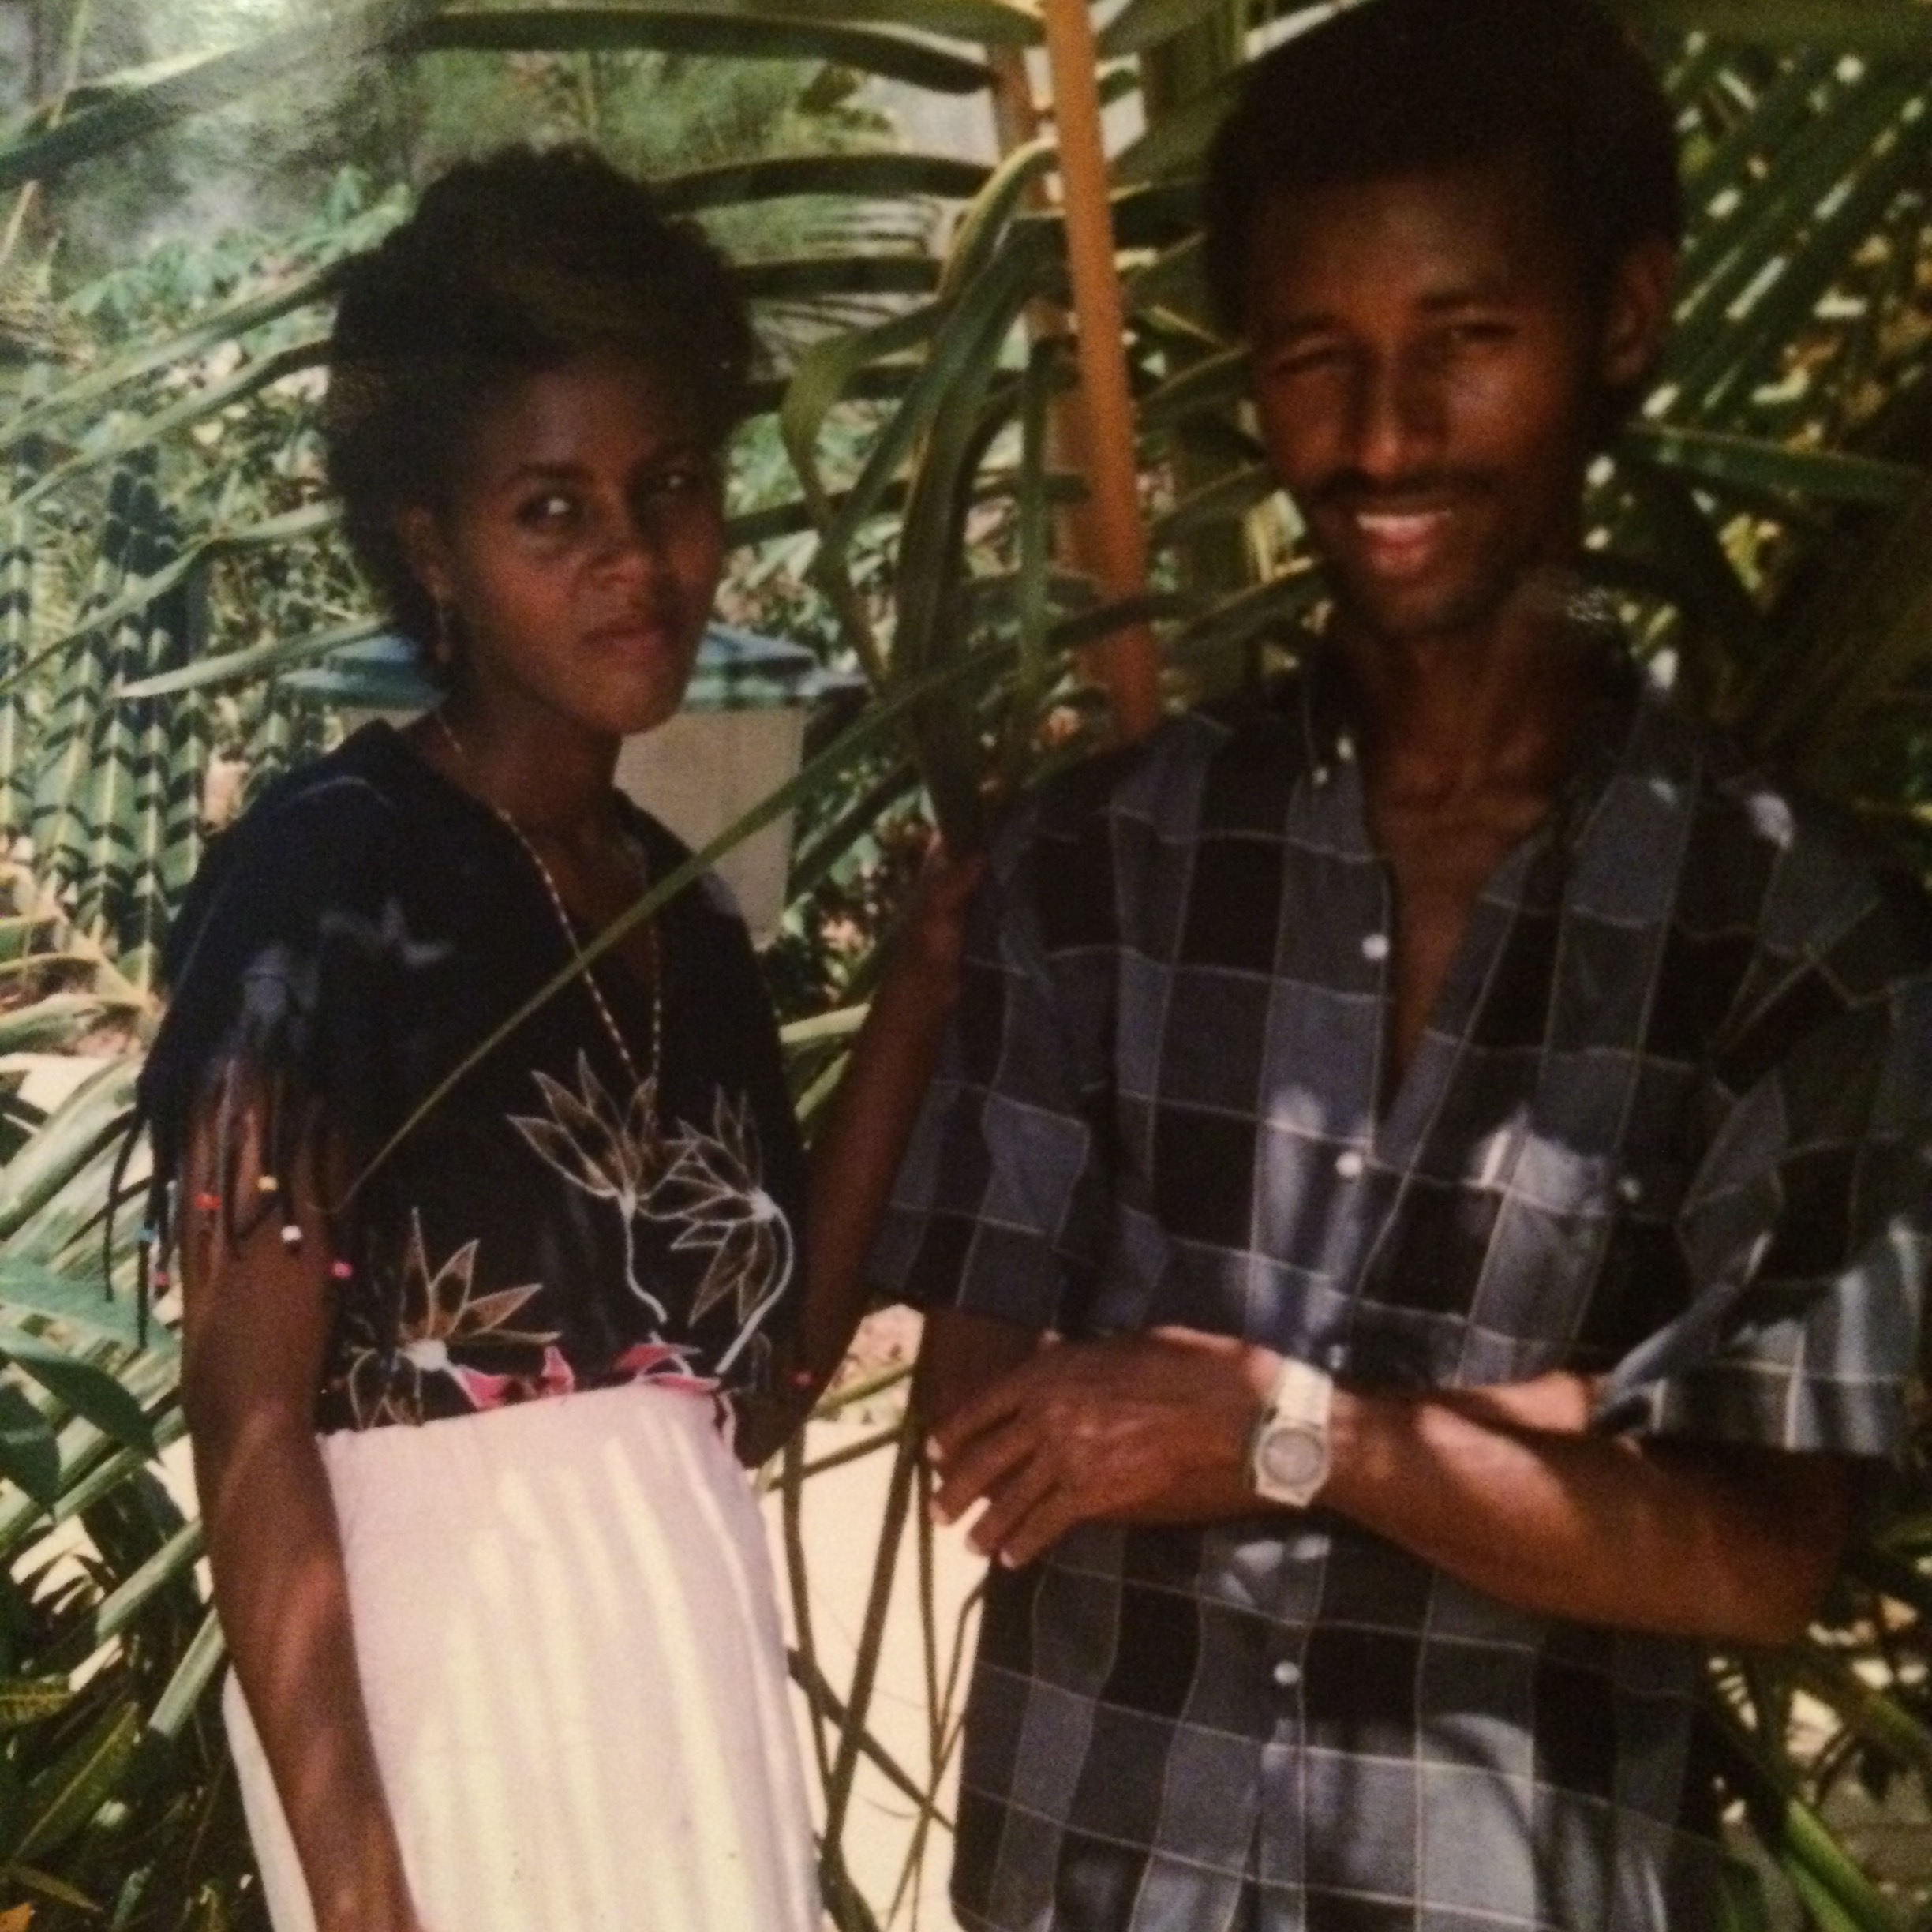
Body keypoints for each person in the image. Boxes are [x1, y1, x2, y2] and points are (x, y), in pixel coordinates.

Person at [872, 4, 1932, 1928]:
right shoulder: (1101, 868)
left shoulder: (1795, 934)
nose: (1380, 438)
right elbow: (994, 1416)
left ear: (1620, 320)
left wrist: (1288, 1432)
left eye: (1463, 343)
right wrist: (1573, 1430)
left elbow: (1761, 1545)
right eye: (1316, 361)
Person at [136, 147, 968, 1932]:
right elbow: (250, 1419)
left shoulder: (685, 918)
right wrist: (366, 1903)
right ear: (430, 541)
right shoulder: (320, 888)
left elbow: (761, 1379)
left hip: (687, 1711)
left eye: (669, 489)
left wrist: (915, 997)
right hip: (452, 1745)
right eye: (552, 511)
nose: (637, 562)